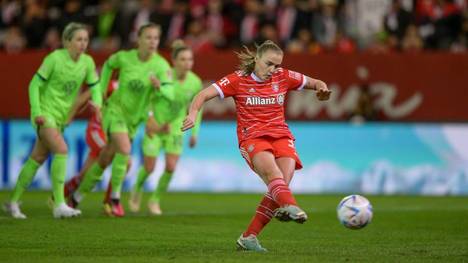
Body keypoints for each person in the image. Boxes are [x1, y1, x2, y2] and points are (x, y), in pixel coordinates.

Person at [181, 40, 331, 251]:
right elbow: (203, 94)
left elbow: (315, 82)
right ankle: (292, 206)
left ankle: (249, 237)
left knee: (281, 185)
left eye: (277, 65)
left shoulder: (284, 76)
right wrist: (193, 113)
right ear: (257, 59)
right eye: (270, 64)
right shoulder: (237, 80)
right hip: (252, 138)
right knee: (273, 176)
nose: (274, 70)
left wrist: (322, 89)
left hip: (281, 135)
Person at [69, 23, 174, 217]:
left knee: (105, 158)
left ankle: (76, 197)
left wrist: (160, 86)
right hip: (115, 111)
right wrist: (100, 94)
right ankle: (115, 199)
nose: (152, 42)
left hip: (135, 119)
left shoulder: (161, 65)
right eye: (148, 37)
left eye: (156, 38)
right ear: (139, 39)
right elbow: (109, 64)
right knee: (124, 150)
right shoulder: (125, 58)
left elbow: (170, 92)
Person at [3, 22, 103, 219]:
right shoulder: (54, 59)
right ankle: (59, 205)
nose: (83, 43)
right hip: (44, 114)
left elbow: (95, 86)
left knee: (37, 158)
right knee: (62, 149)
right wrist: (37, 110)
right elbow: (34, 84)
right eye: (78, 39)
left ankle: (13, 202)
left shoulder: (87, 62)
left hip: (60, 119)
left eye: (85, 39)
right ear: (67, 42)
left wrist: (97, 104)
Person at [128, 40, 203, 215]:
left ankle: (154, 200)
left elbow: (197, 108)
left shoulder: (195, 82)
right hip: (156, 125)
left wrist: (194, 132)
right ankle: (136, 190)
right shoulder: (163, 76)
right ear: (174, 61)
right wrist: (149, 119)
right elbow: (146, 100)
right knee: (149, 167)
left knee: (170, 167)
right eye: (183, 59)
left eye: (190, 60)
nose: (187, 63)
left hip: (176, 128)